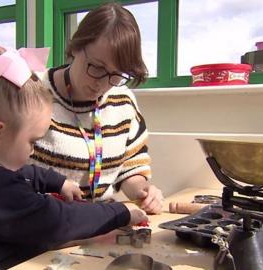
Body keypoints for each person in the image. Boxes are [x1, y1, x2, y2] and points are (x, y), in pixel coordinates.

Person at [0, 45, 148, 270]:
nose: (33, 150)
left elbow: (24, 173)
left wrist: (58, 182)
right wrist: (119, 213)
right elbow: (59, 221)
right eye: (32, 141)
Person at [30, 3, 164, 214]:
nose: (102, 83)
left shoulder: (123, 101)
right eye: (97, 67)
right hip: (45, 224)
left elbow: (130, 167)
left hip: (99, 224)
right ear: (75, 47)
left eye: (117, 74)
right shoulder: (33, 92)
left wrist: (143, 191)